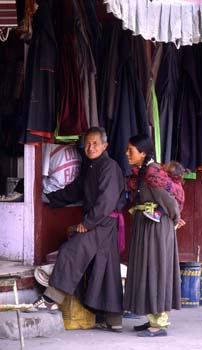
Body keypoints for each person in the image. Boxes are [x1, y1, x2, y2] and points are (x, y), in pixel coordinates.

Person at [29, 127, 126, 332]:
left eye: (95, 144)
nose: (90, 148)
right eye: (87, 143)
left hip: (103, 223)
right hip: (99, 223)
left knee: (70, 251)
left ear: (105, 146)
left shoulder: (110, 167)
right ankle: (112, 319)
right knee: (104, 269)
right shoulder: (90, 166)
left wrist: (87, 223)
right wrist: (48, 198)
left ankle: (51, 298)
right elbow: (74, 191)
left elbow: (106, 202)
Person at [124, 134, 184, 337]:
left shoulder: (151, 173)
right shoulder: (144, 170)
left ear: (142, 153)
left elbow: (170, 202)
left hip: (157, 229)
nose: (127, 153)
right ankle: (152, 318)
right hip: (147, 225)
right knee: (146, 270)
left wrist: (174, 220)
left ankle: (159, 323)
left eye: (130, 150)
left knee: (157, 269)